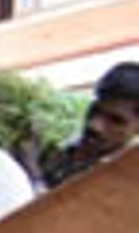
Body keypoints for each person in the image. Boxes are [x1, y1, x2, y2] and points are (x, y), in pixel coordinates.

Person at [41, 61, 139, 189]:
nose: (94, 125)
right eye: (94, 110)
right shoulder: (60, 150)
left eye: (116, 121)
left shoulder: (120, 184)